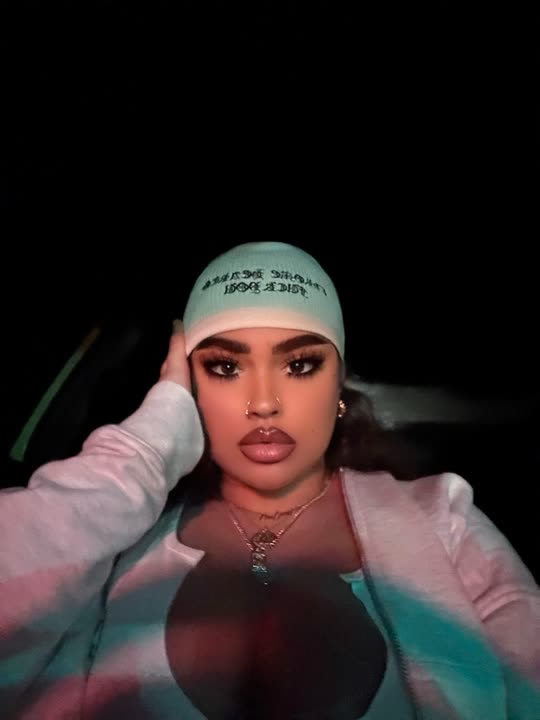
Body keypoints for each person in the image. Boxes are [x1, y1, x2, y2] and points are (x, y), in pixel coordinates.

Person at [1, 241, 539, 720]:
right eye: (225, 367)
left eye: (300, 365)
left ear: (339, 382)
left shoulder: (443, 518)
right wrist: (143, 451)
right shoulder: (114, 540)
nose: (263, 402)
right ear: (187, 386)